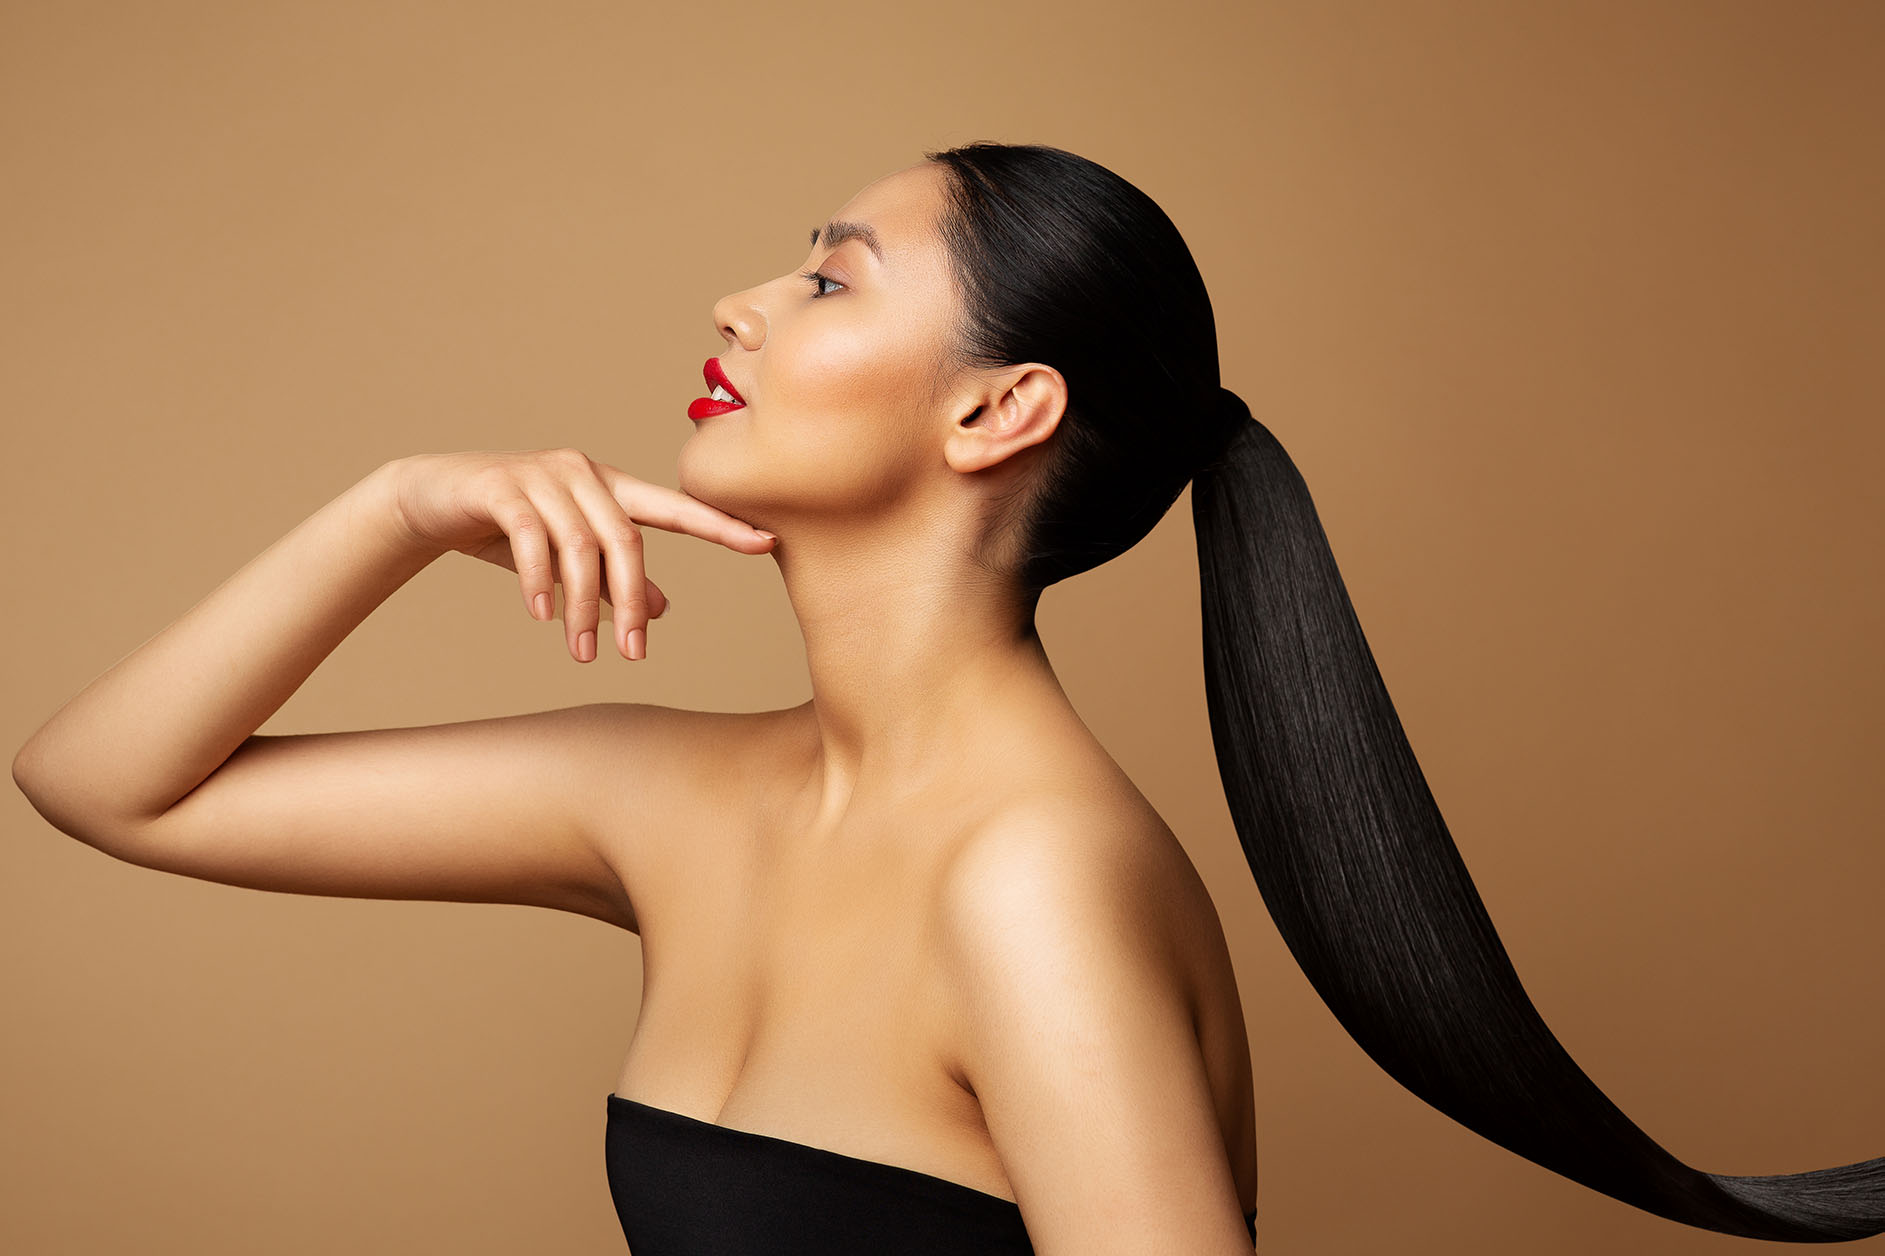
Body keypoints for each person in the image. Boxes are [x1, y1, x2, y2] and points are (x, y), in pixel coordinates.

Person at [11, 141, 1881, 1254]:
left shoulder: (1032, 886)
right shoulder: (680, 806)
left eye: (829, 279)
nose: (742, 302)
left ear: (1001, 408)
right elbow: (109, 784)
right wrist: (401, 509)